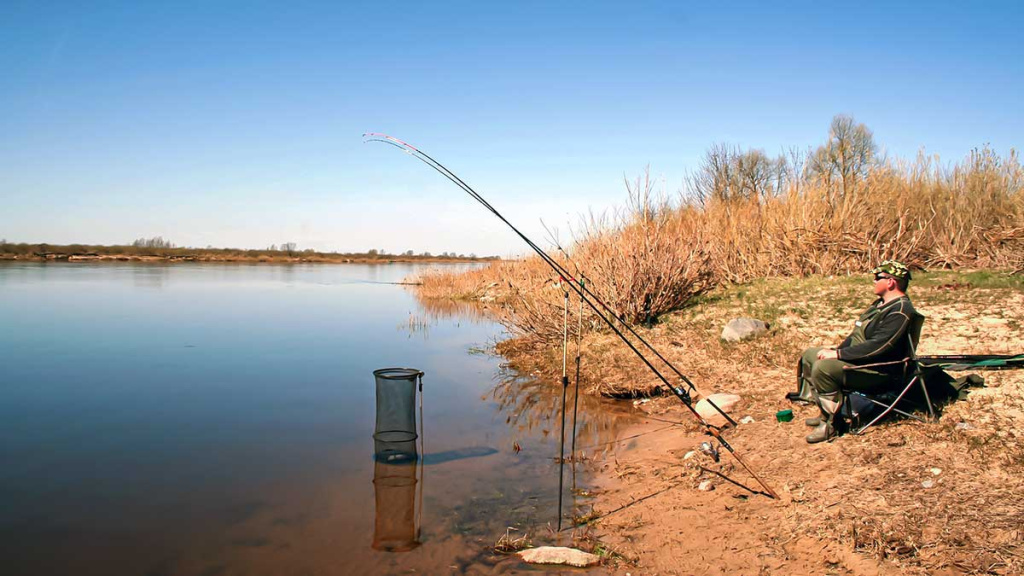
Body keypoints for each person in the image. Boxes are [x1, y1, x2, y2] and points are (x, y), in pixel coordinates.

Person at [798, 260, 917, 444]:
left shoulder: (901, 311)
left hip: (880, 370)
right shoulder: (879, 305)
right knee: (810, 355)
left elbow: (879, 346)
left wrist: (839, 355)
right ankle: (826, 413)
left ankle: (832, 425)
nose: (874, 281)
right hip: (862, 361)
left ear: (890, 282)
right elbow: (856, 336)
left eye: (877, 277)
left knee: (824, 368)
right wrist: (836, 350)